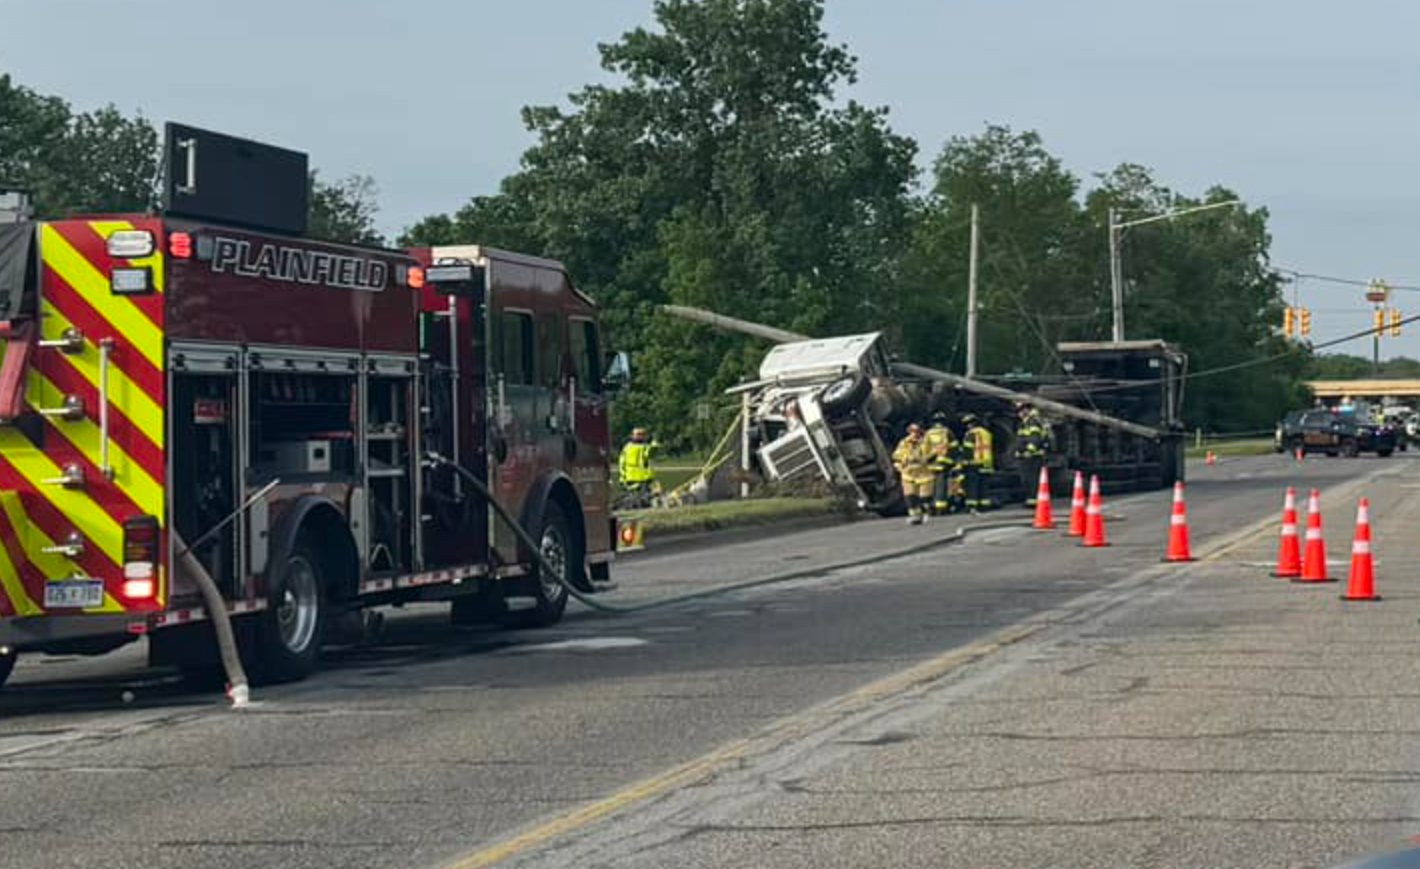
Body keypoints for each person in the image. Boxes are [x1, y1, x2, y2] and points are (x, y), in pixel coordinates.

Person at [892, 423, 935, 525]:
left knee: (925, 497)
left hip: (924, 474)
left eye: (916, 431)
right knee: (910, 496)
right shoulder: (904, 442)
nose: (914, 434)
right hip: (908, 474)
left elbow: (933, 454)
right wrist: (901, 464)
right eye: (912, 431)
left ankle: (926, 512)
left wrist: (926, 459)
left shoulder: (926, 441)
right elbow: (896, 455)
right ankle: (914, 515)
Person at [1013, 402, 1051, 507]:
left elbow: (1035, 438)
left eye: (1021, 410)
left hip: (1032, 457)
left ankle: (1033, 501)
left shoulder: (1032, 422)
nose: (1019, 413)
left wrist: (1029, 451)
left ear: (1027, 410)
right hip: (1028, 456)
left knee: (1031, 479)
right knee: (1029, 479)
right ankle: (1032, 500)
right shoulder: (1027, 422)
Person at [961, 413, 995, 512]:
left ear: (970, 424)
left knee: (972, 486)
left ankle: (972, 506)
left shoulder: (971, 434)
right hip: (987, 463)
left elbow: (968, 449)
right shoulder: (986, 433)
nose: (967, 426)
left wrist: (964, 462)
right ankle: (984, 505)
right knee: (984, 485)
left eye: (967, 424)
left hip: (974, 463)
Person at [924, 412, 957, 515]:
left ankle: (931, 507)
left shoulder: (928, 433)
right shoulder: (947, 432)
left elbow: (925, 448)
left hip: (931, 463)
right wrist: (954, 461)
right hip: (943, 463)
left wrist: (927, 459)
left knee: (931, 486)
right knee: (941, 486)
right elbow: (954, 447)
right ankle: (941, 508)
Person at [618, 427, 659, 496]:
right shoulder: (627, 447)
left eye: (643, 434)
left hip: (645, 479)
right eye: (638, 434)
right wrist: (622, 478)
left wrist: (654, 442)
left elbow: (651, 452)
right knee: (631, 498)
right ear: (632, 435)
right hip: (631, 479)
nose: (640, 436)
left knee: (646, 498)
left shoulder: (646, 447)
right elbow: (622, 463)